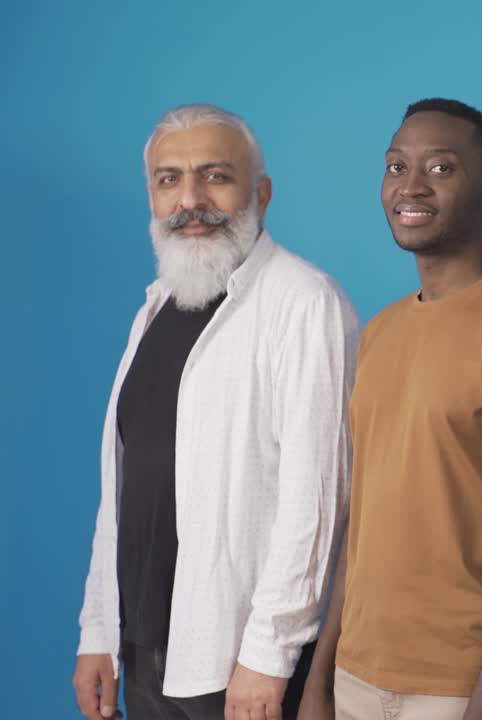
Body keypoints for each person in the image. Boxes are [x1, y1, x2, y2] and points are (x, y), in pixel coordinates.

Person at [297, 98, 482, 720]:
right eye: (395, 166)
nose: (409, 185)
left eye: (441, 168)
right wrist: (319, 681)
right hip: (358, 676)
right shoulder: (379, 332)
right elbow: (365, 520)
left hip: (464, 688)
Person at [72, 103, 360, 720]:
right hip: (147, 646)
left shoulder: (305, 304)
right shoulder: (153, 310)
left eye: (216, 176)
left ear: (262, 192)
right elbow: (121, 489)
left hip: (239, 659)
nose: (189, 199)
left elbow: (317, 499)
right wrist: (98, 631)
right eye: (168, 179)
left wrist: (269, 653)